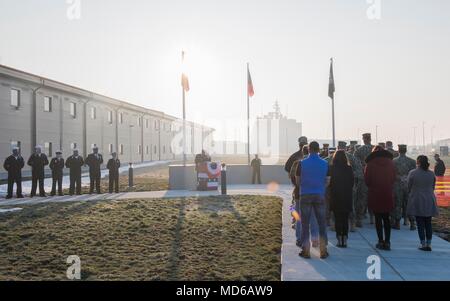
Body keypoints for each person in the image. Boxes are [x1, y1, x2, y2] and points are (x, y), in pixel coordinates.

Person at [297, 141, 329, 259]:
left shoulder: (302, 163)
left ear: (309, 149)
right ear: (319, 150)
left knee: (305, 224)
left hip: (305, 194)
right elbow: (327, 181)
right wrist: (320, 188)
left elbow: (298, 181)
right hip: (319, 194)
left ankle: (306, 250)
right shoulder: (325, 163)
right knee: (321, 223)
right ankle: (323, 250)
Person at [364, 146, 396, 251]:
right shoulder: (391, 163)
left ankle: (380, 241)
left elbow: (367, 180)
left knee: (378, 218)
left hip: (375, 193)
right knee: (386, 218)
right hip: (387, 192)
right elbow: (393, 178)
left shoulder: (370, 164)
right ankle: (388, 242)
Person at [407, 155, 439, 251]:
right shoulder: (431, 173)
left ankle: (423, 243)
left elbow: (409, 186)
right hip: (429, 198)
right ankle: (429, 244)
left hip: (417, 198)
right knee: (428, 222)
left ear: (418, 162)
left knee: (420, 222)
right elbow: (433, 186)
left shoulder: (413, 173)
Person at [329, 150, 354, 248]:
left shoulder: (332, 168)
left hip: (336, 196)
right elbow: (352, 182)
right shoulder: (349, 168)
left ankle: (339, 239)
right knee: (345, 219)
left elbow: (329, 183)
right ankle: (345, 239)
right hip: (347, 196)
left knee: (338, 219)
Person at [391, 145, 417, 230]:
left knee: (397, 204)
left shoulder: (393, 161)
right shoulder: (412, 161)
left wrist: (400, 178)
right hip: (408, 185)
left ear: (398, 150)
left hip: (398, 185)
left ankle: (397, 223)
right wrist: (407, 178)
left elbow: (392, 174)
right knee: (409, 204)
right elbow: (414, 174)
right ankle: (412, 223)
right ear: (406, 150)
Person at [354, 133, 375, 227]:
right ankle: (372, 218)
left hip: (363, 176)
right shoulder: (375, 149)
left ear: (364, 139)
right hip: (375, 178)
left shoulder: (359, 150)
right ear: (370, 139)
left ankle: (359, 219)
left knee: (362, 198)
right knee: (373, 198)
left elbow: (355, 163)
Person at [343, 142, 363, 232]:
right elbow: (359, 174)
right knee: (351, 205)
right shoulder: (354, 158)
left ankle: (334, 224)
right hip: (351, 185)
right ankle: (352, 224)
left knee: (336, 205)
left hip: (337, 186)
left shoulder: (332, 157)